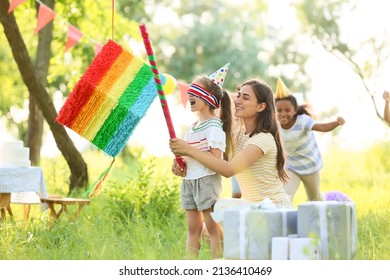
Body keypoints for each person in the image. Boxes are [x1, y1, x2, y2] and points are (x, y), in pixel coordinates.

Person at [170, 78, 293, 211]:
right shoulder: (237, 135)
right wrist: (184, 161)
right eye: (238, 95)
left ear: (261, 106)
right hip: (255, 208)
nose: (238, 100)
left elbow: (229, 170)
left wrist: (189, 150)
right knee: (210, 225)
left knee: (220, 208)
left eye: (245, 98)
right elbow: (211, 156)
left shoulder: (263, 139)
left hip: (274, 209)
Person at [170, 64, 232, 259]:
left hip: (206, 180)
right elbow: (189, 155)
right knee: (193, 228)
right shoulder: (193, 127)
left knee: (212, 227)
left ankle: (218, 265)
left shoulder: (214, 126)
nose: (189, 96)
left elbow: (216, 159)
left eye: (195, 92)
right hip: (189, 181)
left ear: (207, 99)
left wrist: (189, 151)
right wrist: (179, 164)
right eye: (189, 92)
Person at [275, 92, 345, 202]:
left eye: (287, 110)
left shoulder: (303, 121)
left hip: (310, 167)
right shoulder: (275, 125)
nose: (283, 114)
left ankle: (327, 199)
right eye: (279, 110)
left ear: (295, 110)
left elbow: (322, 127)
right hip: (291, 167)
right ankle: (286, 217)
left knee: (315, 199)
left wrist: (337, 122)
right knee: (284, 197)